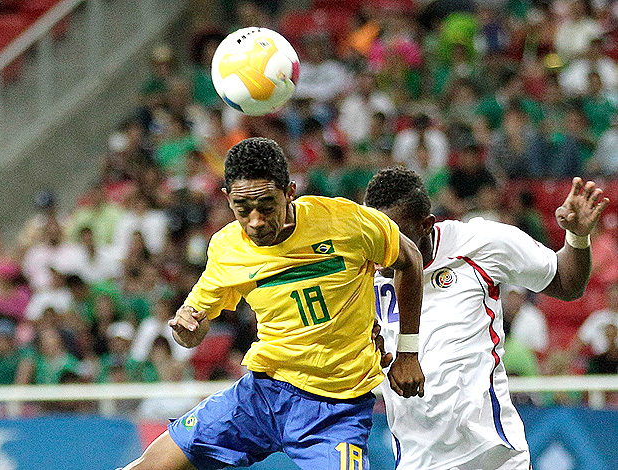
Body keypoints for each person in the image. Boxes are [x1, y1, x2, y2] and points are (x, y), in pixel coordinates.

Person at [117, 137, 425, 470]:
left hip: (337, 409)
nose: (255, 220)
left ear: (290, 192)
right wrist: (188, 329)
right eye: (241, 208)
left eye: (266, 206)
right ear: (226, 199)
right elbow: (192, 325)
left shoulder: (345, 221)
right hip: (262, 395)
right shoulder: (227, 249)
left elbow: (410, 259)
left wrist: (409, 351)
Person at [364, 168, 608, 470]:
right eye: (376, 235)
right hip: (419, 460)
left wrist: (578, 236)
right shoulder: (360, 274)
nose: (385, 249)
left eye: (395, 236)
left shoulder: (480, 243)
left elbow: (566, 281)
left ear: (426, 225)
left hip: (495, 456)